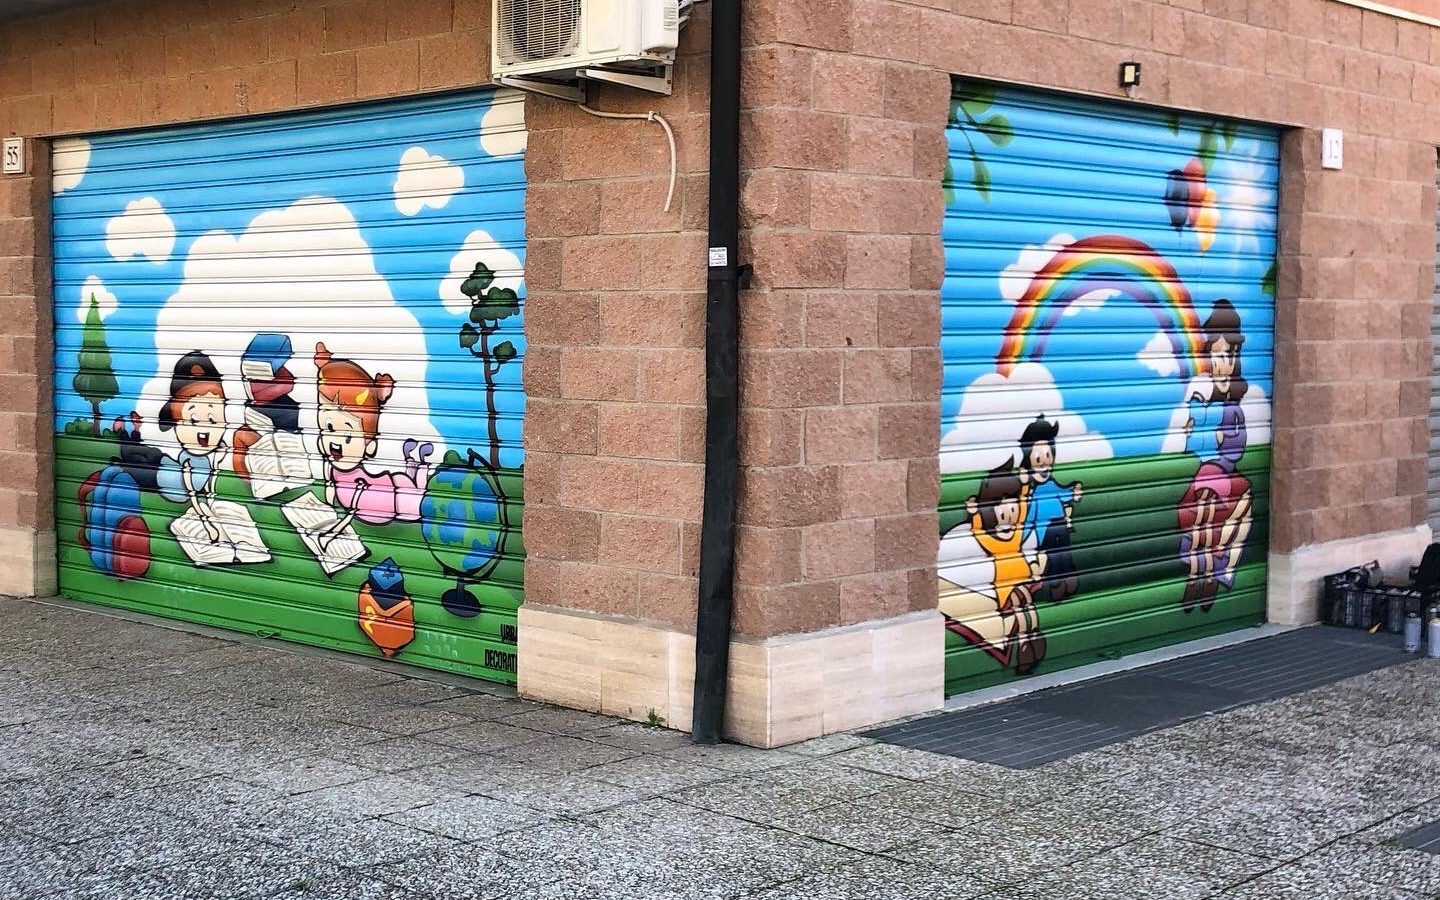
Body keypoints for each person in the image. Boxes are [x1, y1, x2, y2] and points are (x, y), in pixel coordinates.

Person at [313, 343, 432, 546]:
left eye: (348, 436)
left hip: (390, 504)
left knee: (411, 495)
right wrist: (327, 504)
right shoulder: (334, 469)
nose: (335, 442)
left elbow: (351, 510)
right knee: (402, 482)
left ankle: (419, 466)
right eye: (329, 427)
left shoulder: (360, 480)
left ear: (369, 445)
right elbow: (331, 487)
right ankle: (414, 462)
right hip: (380, 494)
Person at [1178, 299, 1253, 612]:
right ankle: (1199, 575)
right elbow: (1193, 442)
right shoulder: (1202, 400)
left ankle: (1212, 573)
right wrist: (1207, 435)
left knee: (1237, 511)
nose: (1224, 363)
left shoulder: (1232, 407)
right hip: (1208, 474)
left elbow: (1238, 445)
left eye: (1230, 355)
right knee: (1204, 515)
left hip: (1223, 474)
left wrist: (1222, 439)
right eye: (1219, 355)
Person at [942, 459, 1047, 676]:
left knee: (1025, 608)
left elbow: (1023, 507)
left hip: (1019, 582)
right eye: (1002, 514)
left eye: (1012, 512)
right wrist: (975, 512)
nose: (1007, 520)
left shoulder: (1015, 535)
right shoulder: (989, 540)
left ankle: (1031, 638)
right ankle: (1026, 640)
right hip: (1005, 590)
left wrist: (1025, 486)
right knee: (1020, 611)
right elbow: (978, 527)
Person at [153, 352, 228, 542]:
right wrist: (210, 527)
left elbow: (203, 485)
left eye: (213, 419)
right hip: (165, 476)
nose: (204, 430)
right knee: (143, 458)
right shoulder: (189, 462)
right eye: (193, 419)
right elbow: (192, 494)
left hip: (170, 473)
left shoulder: (210, 458)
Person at [1018, 415, 1083, 602]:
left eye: (1048, 457)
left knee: (1064, 548)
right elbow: (1029, 518)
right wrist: (1020, 540)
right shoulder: (1033, 494)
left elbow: (1063, 494)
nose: (1044, 464)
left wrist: (1073, 492)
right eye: (1038, 459)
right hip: (1045, 533)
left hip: (1059, 526)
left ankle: (1067, 576)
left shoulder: (1051, 485)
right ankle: (1056, 582)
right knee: (1055, 550)